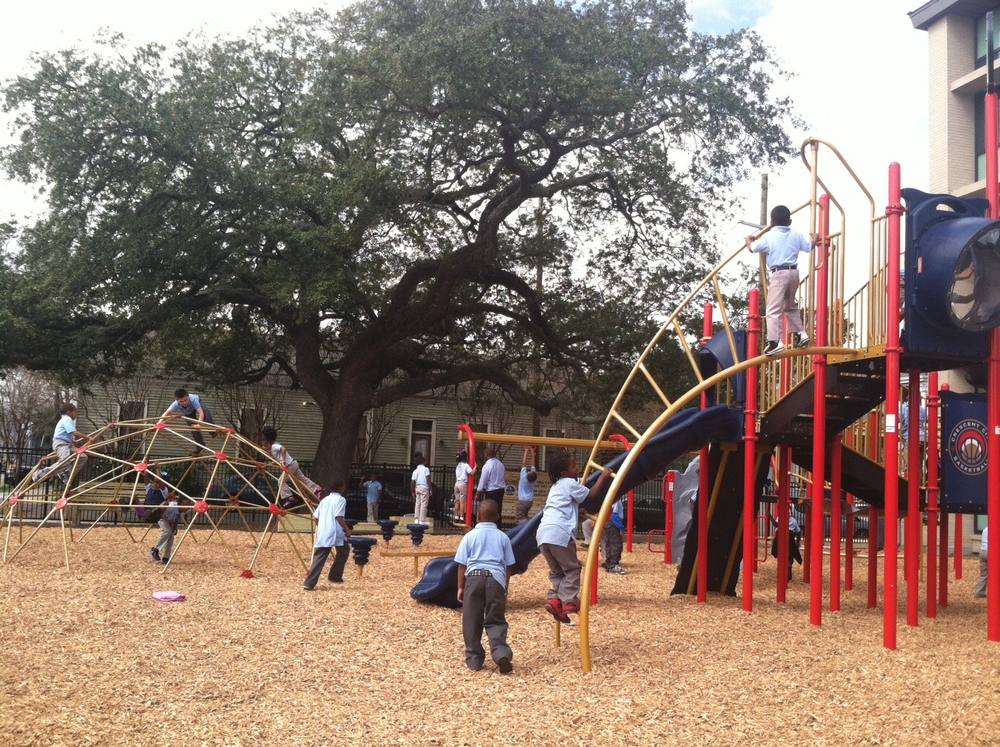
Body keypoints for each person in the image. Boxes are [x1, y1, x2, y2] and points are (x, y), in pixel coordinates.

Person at [536, 451, 612, 623]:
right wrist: (602, 477)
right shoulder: (570, 483)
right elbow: (591, 495)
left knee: (557, 571)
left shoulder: (555, 487)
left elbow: (564, 508)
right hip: (559, 533)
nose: (577, 468)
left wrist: (578, 513)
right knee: (572, 569)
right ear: (564, 472)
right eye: (573, 466)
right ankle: (569, 601)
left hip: (543, 534)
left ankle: (555, 600)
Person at [744, 205, 818, 355]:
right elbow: (808, 246)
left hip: (778, 274)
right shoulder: (796, 234)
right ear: (789, 221)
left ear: (771, 222)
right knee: (789, 306)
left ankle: (775, 341)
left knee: (773, 309)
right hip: (794, 273)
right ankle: (801, 333)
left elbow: (752, 248)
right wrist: (814, 239)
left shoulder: (769, 236)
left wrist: (749, 240)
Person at [454, 499, 516, 674]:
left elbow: (461, 564)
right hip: (496, 579)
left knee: (471, 618)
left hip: (474, 578)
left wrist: (460, 587)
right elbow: (508, 566)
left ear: (478, 516)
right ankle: (501, 652)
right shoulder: (503, 537)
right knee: (495, 618)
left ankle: (474, 659)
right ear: (497, 517)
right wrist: (505, 586)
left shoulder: (470, 536)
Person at [303, 479, 351, 590]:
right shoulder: (341, 500)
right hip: (335, 531)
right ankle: (333, 576)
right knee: (342, 552)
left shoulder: (325, 500)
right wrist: (347, 529)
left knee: (323, 556)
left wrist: (322, 526)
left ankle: (311, 583)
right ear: (341, 487)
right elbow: (339, 517)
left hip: (324, 531)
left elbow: (315, 517)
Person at [261, 426, 323, 507]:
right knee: (302, 478)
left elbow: (283, 449)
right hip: (293, 463)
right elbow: (274, 457)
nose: (265, 448)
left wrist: (282, 460)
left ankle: (289, 497)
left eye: (265, 445)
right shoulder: (274, 447)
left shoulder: (274, 446)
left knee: (280, 481)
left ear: (268, 442)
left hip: (290, 465)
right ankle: (317, 489)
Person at [33, 403, 90, 484]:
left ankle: (66, 473)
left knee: (83, 457)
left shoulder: (66, 420)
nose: (76, 414)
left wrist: (74, 441)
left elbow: (68, 434)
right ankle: (41, 473)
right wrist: (88, 437)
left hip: (68, 445)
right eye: (75, 412)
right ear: (68, 412)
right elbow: (73, 432)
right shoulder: (67, 419)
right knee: (65, 461)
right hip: (61, 444)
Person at [475, 447, 507, 527]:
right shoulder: (500, 464)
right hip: (500, 490)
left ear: (486, 454)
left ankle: (490, 526)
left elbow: (483, 480)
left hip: (491, 491)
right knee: (498, 510)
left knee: (489, 510)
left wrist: (478, 492)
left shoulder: (487, 466)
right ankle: (498, 526)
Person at [150, 488, 180, 566]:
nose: (175, 499)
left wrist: (175, 527)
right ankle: (155, 549)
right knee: (167, 531)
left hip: (171, 521)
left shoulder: (177, 505)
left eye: (176, 498)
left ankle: (166, 557)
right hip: (162, 519)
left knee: (171, 537)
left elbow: (176, 517)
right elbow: (161, 513)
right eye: (174, 498)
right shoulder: (167, 503)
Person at [770, 512, 803, 582]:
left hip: (780, 537)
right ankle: (788, 573)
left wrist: (770, 516)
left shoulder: (780, 518)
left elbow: (776, 524)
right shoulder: (793, 520)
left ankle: (784, 573)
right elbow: (798, 532)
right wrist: (797, 542)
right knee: (789, 556)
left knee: (782, 555)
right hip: (789, 538)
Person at [603, 496, 626, 575]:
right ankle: (613, 564)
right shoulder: (615, 498)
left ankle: (609, 562)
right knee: (616, 543)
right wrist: (620, 526)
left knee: (609, 543)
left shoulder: (608, 496)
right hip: (613, 522)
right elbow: (614, 513)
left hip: (607, 521)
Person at [515, 446, 538, 525]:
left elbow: (524, 463)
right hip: (529, 501)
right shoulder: (533, 478)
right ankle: (528, 525)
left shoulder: (523, 477)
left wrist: (526, 450)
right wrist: (532, 453)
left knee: (520, 518)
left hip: (522, 501)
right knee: (525, 515)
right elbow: (533, 466)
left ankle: (526, 528)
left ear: (527, 474)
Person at [410, 453, 433, 525]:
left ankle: (416, 519)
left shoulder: (415, 471)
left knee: (417, 503)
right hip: (424, 488)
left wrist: (412, 491)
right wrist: (430, 489)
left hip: (417, 488)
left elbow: (412, 482)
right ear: (423, 461)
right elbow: (428, 479)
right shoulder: (426, 469)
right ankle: (422, 520)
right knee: (424, 504)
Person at [453, 450, 474, 523]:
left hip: (457, 483)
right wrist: (475, 467)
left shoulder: (458, 466)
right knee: (462, 502)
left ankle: (456, 517)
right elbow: (472, 472)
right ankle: (461, 518)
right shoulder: (466, 465)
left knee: (457, 501)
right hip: (463, 483)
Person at [975, 526, 989, 599]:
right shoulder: (995, 529)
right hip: (991, 551)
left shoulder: (985, 529)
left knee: (983, 574)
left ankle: (980, 592)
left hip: (983, 551)